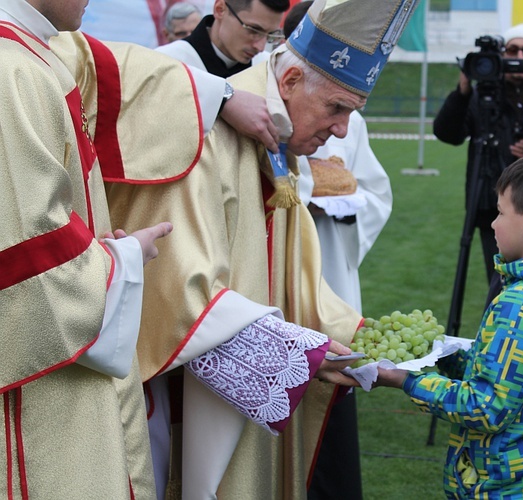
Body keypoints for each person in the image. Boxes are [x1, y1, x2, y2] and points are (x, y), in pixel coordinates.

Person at [103, 0, 418, 498]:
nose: (341, 131)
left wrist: (359, 340)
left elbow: (294, 273)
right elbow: (180, 295)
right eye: (336, 108)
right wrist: (299, 355)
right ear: (289, 82)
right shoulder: (208, 129)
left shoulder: (278, 136)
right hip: (176, 396)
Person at [0, 0, 177, 497]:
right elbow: (24, 255)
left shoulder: (33, 53)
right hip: (36, 386)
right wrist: (121, 261)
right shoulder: (9, 67)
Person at [372, 151, 523, 497]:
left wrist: (408, 381)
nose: (494, 224)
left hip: (510, 489)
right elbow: (519, 380)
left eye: (500, 213)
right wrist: (448, 357)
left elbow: (486, 407)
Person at [277, 2, 393, 498]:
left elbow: (376, 194)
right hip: (272, 303)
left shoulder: (351, 125)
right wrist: (304, 192)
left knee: (331, 448)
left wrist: (344, 206)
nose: (342, 129)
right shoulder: (249, 113)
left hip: (332, 278)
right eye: (334, 110)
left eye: (350, 112)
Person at [433, 23, 523, 283]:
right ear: (501, 55)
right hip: (493, 204)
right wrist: (463, 92)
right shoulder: (480, 96)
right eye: (512, 50)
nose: (519, 57)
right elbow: (447, 133)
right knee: (499, 279)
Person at [157, 0, 287, 78]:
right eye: (253, 30)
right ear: (220, 10)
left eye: (270, 35)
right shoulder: (165, 62)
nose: (260, 47)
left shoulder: (269, 68)